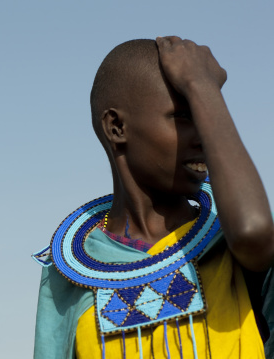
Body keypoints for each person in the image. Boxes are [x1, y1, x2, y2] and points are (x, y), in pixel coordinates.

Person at [33, 37, 274, 358]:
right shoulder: (71, 274)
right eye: (183, 116)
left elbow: (252, 232)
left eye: (207, 113)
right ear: (117, 127)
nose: (205, 134)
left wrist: (203, 86)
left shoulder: (228, 239)